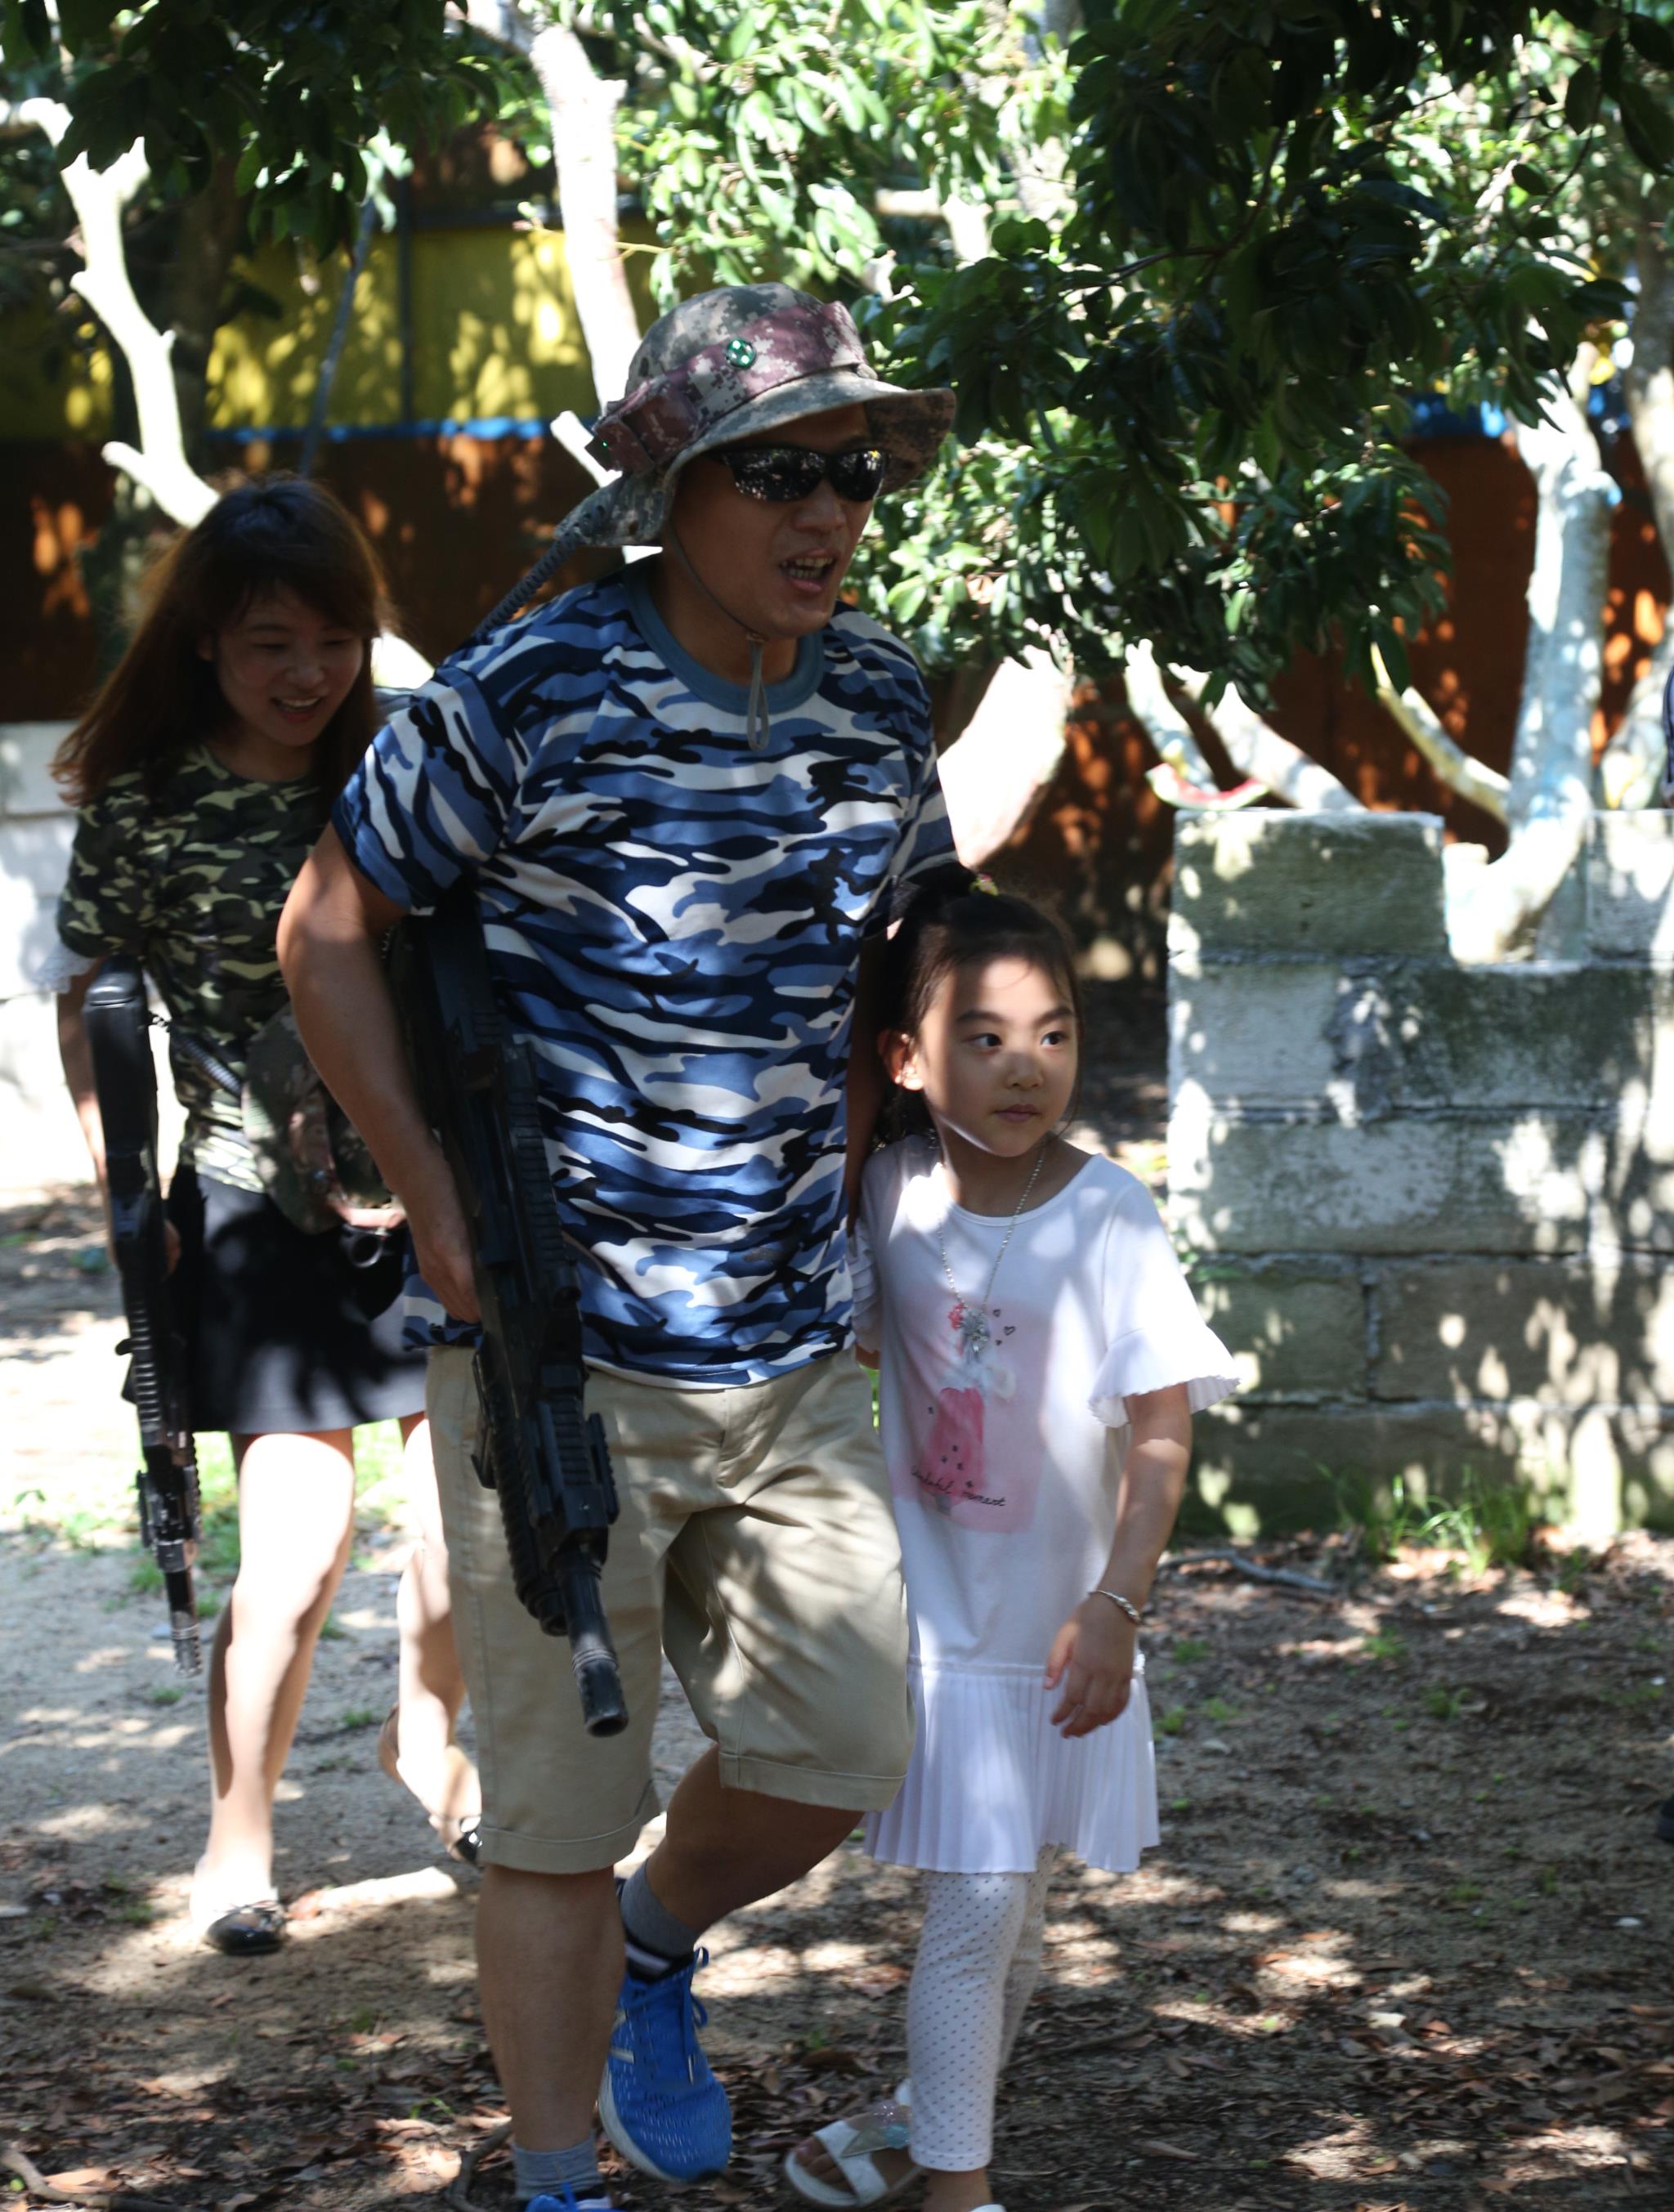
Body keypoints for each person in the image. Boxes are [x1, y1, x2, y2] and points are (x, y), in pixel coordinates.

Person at [277, 282, 960, 2212]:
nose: (827, 515)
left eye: (852, 475)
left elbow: (887, 971)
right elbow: (328, 930)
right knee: (556, 1820)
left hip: (794, 1344)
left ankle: (658, 1949)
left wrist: (868, 1187)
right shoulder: (527, 690)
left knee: (844, 1745)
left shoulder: (876, 692)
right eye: (779, 476)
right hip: (555, 1353)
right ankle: (555, 2183)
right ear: (676, 491)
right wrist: (432, 1202)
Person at [50, 477, 480, 1955]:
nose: (307, 673)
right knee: (296, 1557)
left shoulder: (402, 765)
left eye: (333, 640)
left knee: (464, 1534)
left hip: (422, 1194)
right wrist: (124, 1189)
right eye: (268, 644)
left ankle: (427, 1742)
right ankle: (236, 1839)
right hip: (253, 1206)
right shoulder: (148, 803)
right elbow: (92, 999)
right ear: (206, 644)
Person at [786, 882, 1238, 2212]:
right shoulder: (887, 1194)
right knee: (983, 1904)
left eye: (1053, 1033)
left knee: (1019, 1911)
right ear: (905, 1057)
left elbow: (1161, 1433)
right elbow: (843, 1366)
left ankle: (922, 2119)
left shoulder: (1111, 1215)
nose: (1025, 1065)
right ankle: (957, 2184)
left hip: (1060, 1630)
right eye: (982, 1038)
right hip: (937, 1635)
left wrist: (1118, 1604)